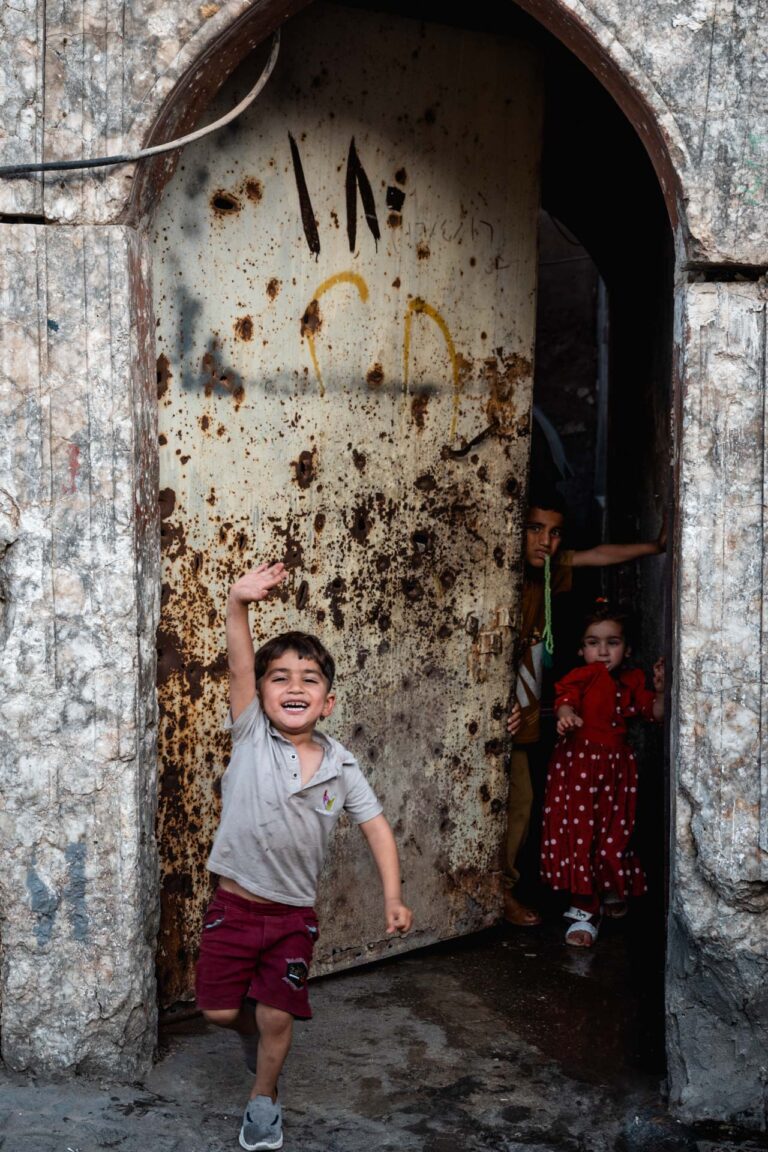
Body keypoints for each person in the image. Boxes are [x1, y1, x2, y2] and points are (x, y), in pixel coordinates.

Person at [195, 561, 413, 1152]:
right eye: (280, 678)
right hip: (234, 907)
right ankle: (253, 1035)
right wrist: (238, 603)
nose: (294, 687)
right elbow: (241, 661)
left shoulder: (342, 766)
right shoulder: (251, 736)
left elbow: (376, 828)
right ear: (260, 694)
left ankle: (263, 1101)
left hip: (293, 915)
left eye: (309, 679)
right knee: (217, 1011)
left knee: (278, 1014)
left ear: (329, 701)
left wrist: (393, 896)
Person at [502, 493, 665, 926]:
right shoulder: (497, 575)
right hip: (490, 708)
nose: (545, 542)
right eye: (534, 529)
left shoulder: (547, 579)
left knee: (521, 802)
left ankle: (501, 888)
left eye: (554, 533)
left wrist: (656, 546)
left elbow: (598, 555)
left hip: (522, 712)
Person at [540, 601, 664, 946]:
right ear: (581, 649)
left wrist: (664, 689)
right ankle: (585, 907)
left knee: (613, 835)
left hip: (614, 773)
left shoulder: (630, 684)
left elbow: (655, 711)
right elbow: (566, 701)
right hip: (576, 771)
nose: (603, 651)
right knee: (580, 836)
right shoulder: (580, 677)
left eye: (613, 642)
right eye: (593, 642)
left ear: (627, 649)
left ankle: (608, 885)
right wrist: (566, 717)